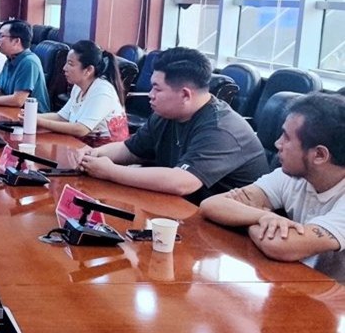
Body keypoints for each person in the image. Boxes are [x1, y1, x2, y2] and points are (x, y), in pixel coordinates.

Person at [77, 46, 268, 204]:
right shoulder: (165, 114)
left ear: (185, 94)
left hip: (229, 228)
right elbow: (130, 150)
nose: (150, 94)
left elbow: (182, 183)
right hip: (183, 208)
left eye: (157, 89)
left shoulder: (221, 129)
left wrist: (110, 172)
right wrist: (94, 154)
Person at [200, 93, 344, 268]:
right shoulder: (291, 176)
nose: (277, 144)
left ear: (319, 155)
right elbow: (212, 205)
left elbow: (280, 246)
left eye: (287, 137)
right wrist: (264, 216)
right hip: (297, 276)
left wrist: (245, 217)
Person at [36, 40, 128, 146]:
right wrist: (31, 116)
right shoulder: (78, 87)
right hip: (80, 145)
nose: (64, 68)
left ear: (88, 70)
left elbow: (81, 129)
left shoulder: (103, 90)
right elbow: (62, 117)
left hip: (104, 151)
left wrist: (39, 121)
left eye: (70, 64)